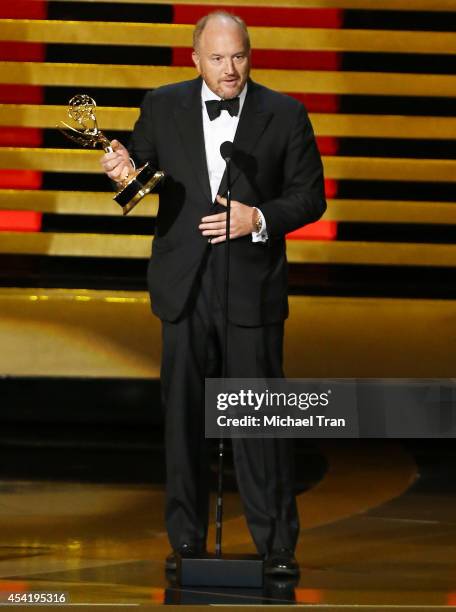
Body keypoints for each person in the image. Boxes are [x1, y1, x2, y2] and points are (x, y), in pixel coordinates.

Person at [101, 11, 326, 577]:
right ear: (194, 59)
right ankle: (186, 542)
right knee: (182, 420)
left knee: (260, 421)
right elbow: (140, 181)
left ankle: (277, 546)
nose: (231, 70)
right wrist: (123, 171)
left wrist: (258, 217)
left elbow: (309, 197)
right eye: (219, 58)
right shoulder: (160, 104)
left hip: (251, 286)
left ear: (250, 54)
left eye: (240, 57)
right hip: (183, 286)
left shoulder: (286, 114)